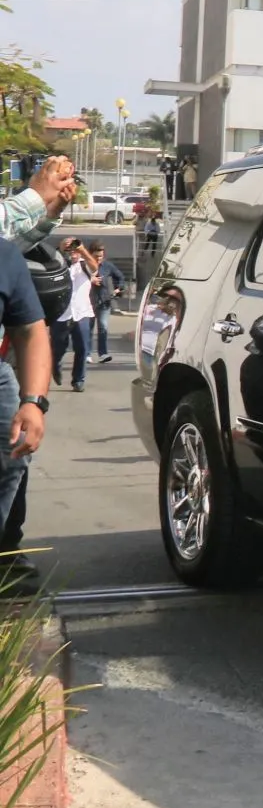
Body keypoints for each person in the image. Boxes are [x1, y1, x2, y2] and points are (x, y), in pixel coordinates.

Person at [0, 237, 51, 593]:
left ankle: (4, 552)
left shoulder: (3, 255)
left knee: (10, 461)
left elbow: (30, 329)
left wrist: (33, 402)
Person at [51, 238, 98, 392]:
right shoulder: (59, 265)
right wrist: (59, 246)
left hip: (82, 313)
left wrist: (82, 249)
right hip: (61, 315)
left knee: (82, 349)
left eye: (75, 250)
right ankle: (56, 366)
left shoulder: (85, 265)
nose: (73, 253)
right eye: (70, 250)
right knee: (58, 348)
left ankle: (78, 380)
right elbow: (48, 261)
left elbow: (95, 266)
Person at [87, 240, 124, 363]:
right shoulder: (84, 266)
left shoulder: (108, 266)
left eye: (101, 256)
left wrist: (119, 288)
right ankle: (87, 354)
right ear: (90, 254)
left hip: (104, 301)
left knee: (103, 327)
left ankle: (103, 354)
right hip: (88, 302)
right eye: (96, 256)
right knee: (89, 328)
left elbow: (120, 276)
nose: (98, 259)